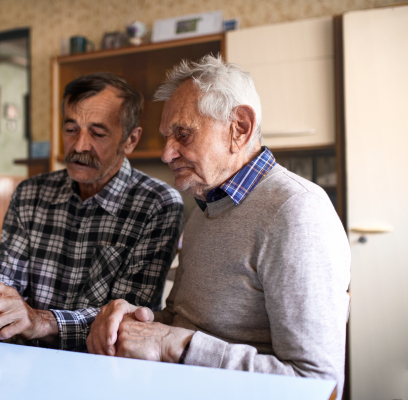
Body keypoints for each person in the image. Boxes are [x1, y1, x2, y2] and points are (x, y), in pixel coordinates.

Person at [87, 55, 350, 397]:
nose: (167, 154)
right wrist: (138, 322)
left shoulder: (296, 211)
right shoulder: (208, 207)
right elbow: (185, 322)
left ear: (239, 127)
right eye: (167, 137)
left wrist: (176, 345)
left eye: (182, 134)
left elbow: (319, 384)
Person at [0, 72, 184, 351]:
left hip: (100, 366)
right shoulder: (31, 193)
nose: (79, 145)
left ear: (130, 140)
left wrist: (40, 321)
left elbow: (125, 321)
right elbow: (0, 289)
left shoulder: (158, 205)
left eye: (98, 134)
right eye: (70, 129)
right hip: (20, 359)